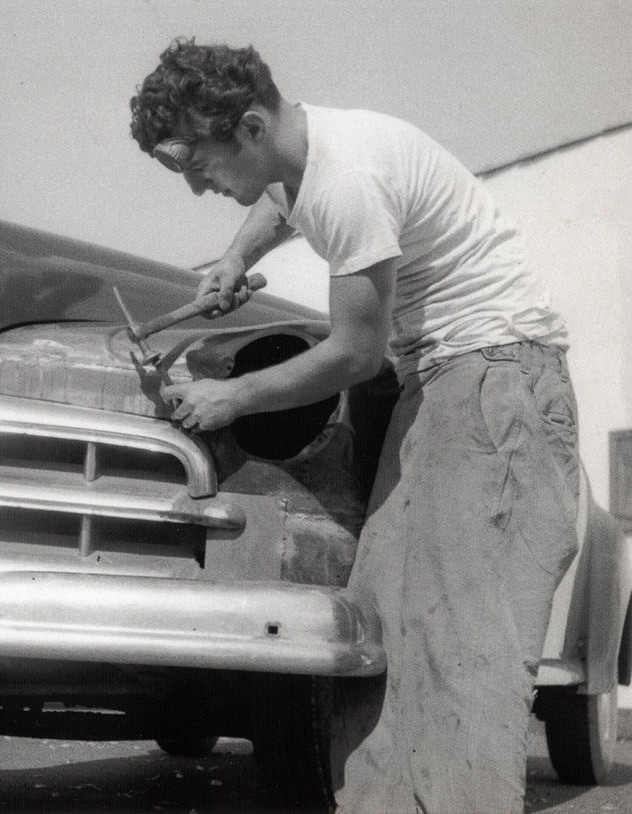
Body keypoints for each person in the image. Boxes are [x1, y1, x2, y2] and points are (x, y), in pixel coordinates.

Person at [129, 38, 580, 814]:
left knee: (463, 648)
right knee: (377, 628)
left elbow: (353, 354)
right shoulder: (304, 153)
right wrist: (235, 259)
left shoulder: (346, 179)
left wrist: (233, 400)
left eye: (197, 166)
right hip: (442, 384)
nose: (198, 188)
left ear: (247, 128)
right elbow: (277, 199)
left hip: (495, 384)